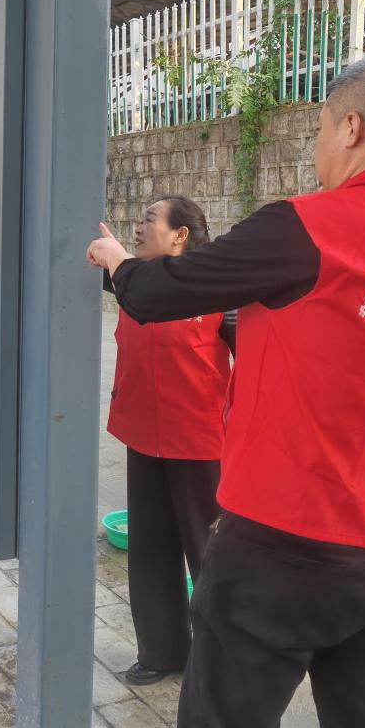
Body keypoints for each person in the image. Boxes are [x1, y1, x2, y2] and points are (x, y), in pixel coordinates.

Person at [87, 55, 365, 728]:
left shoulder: (304, 225)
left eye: (317, 130)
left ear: (350, 128)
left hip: (278, 549)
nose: (315, 151)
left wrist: (118, 263)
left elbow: (164, 290)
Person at [104, 196, 234, 687]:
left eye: (149, 219)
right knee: (150, 549)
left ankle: (221, 664)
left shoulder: (218, 289)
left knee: (210, 555)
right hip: (143, 436)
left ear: (180, 235)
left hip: (200, 443)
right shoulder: (130, 281)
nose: (138, 227)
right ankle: (162, 652)